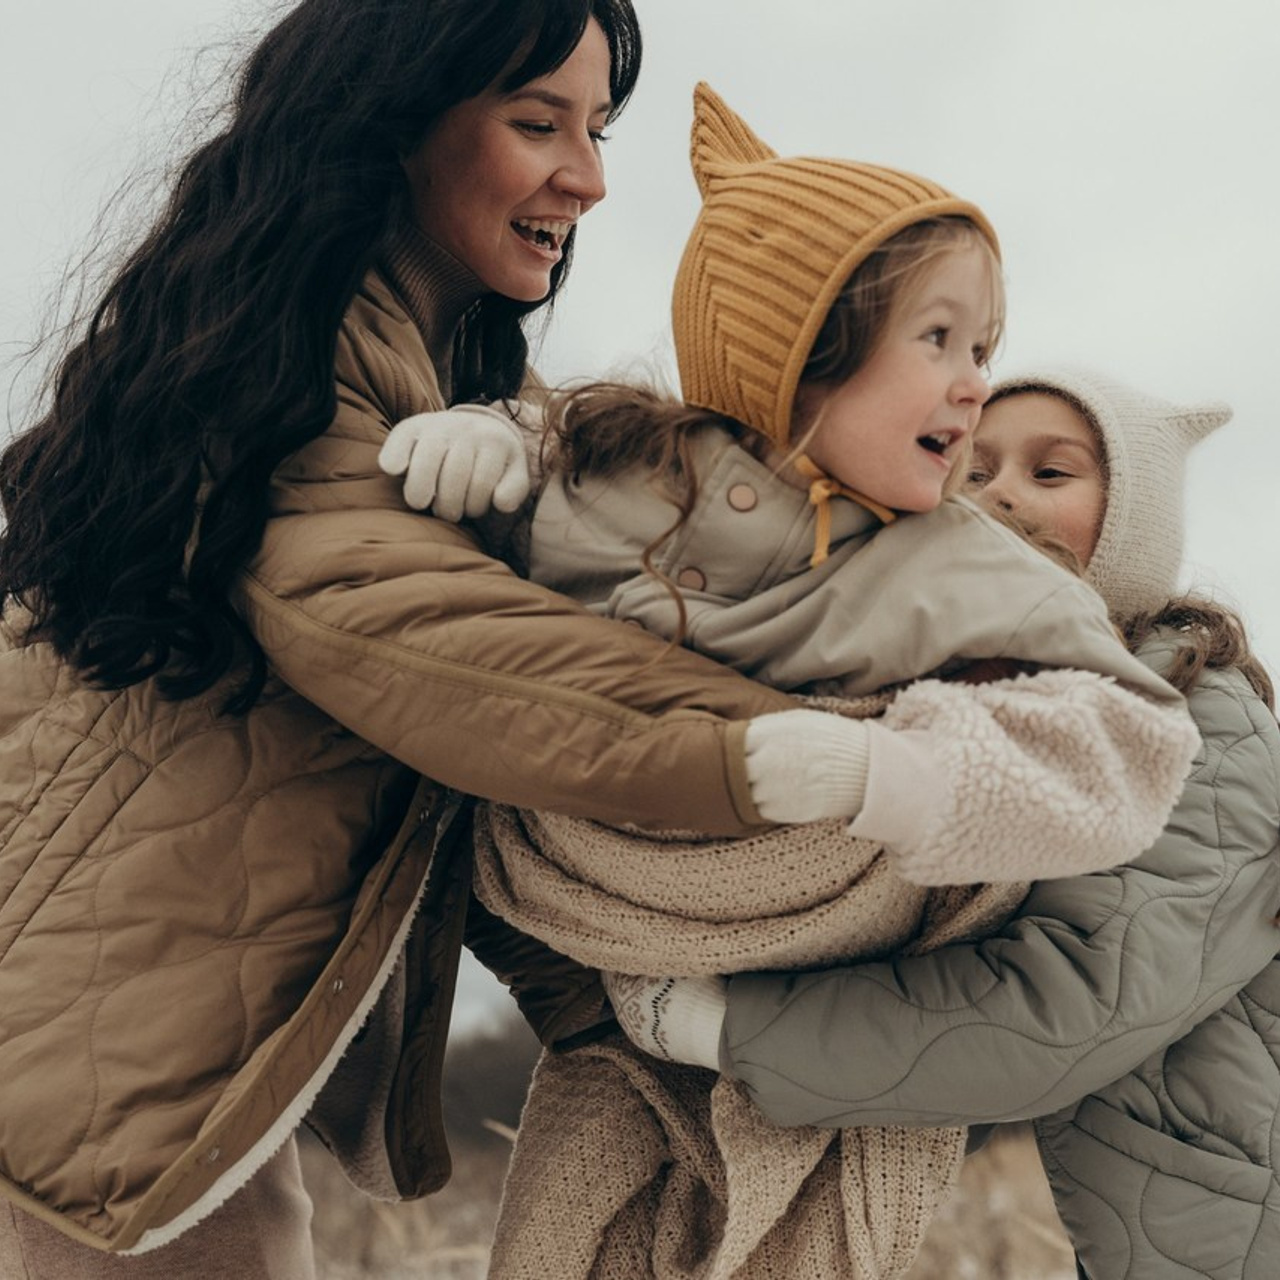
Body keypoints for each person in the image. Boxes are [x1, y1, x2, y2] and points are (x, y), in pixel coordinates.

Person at [0, 5, 907, 1275]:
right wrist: (869, 760)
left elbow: (476, 779)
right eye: (538, 123)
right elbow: (465, 671)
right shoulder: (290, 381)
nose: (587, 178)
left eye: (596, 131)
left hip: (135, 1033)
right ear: (393, 122)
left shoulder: (447, 393)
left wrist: (622, 1010)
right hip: (93, 1040)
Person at [383, 87, 1200, 1277]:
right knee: (568, 1232)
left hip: (811, 992)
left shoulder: (962, 561)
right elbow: (470, 619)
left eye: (983, 349)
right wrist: (491, 445)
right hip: (604, 983)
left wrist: (888, 769)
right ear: (800, 349)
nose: (972, 384)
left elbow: (1132, 747)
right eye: (937, 340)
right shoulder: (621, 467)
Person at [612, 367, 1280, 1280]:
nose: (1000, 492)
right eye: (975, 469)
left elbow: (1070, 1009)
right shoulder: (1018, 711)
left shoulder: (1191, 720)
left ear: (1134, 527)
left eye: (1051, 472)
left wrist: (723, 1027)